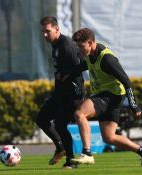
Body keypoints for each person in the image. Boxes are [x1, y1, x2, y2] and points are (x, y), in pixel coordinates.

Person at [61, 28, 142, 167]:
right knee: (109, 137)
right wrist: (67, 75)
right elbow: (83, 66)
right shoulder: (90, 54)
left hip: (111, 95)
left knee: (79, 113)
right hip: (108, 96)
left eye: (81, 46)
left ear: (91, 43)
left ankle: (87, 153)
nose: (79, 49)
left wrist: (133, 104)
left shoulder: (107, 59)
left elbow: (126, 81)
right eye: (77, 46)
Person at [35, 16, 85, 169]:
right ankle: (60, 147)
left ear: (57, 29)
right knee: (42, 119)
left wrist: (66, 75)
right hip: (60, 93)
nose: (44, 34)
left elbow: (82, 65)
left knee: (61, 124)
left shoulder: (66, 45)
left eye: (47, 31)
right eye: (43, 31)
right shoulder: (55, 44)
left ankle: (71, 161)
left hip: (72, 93)